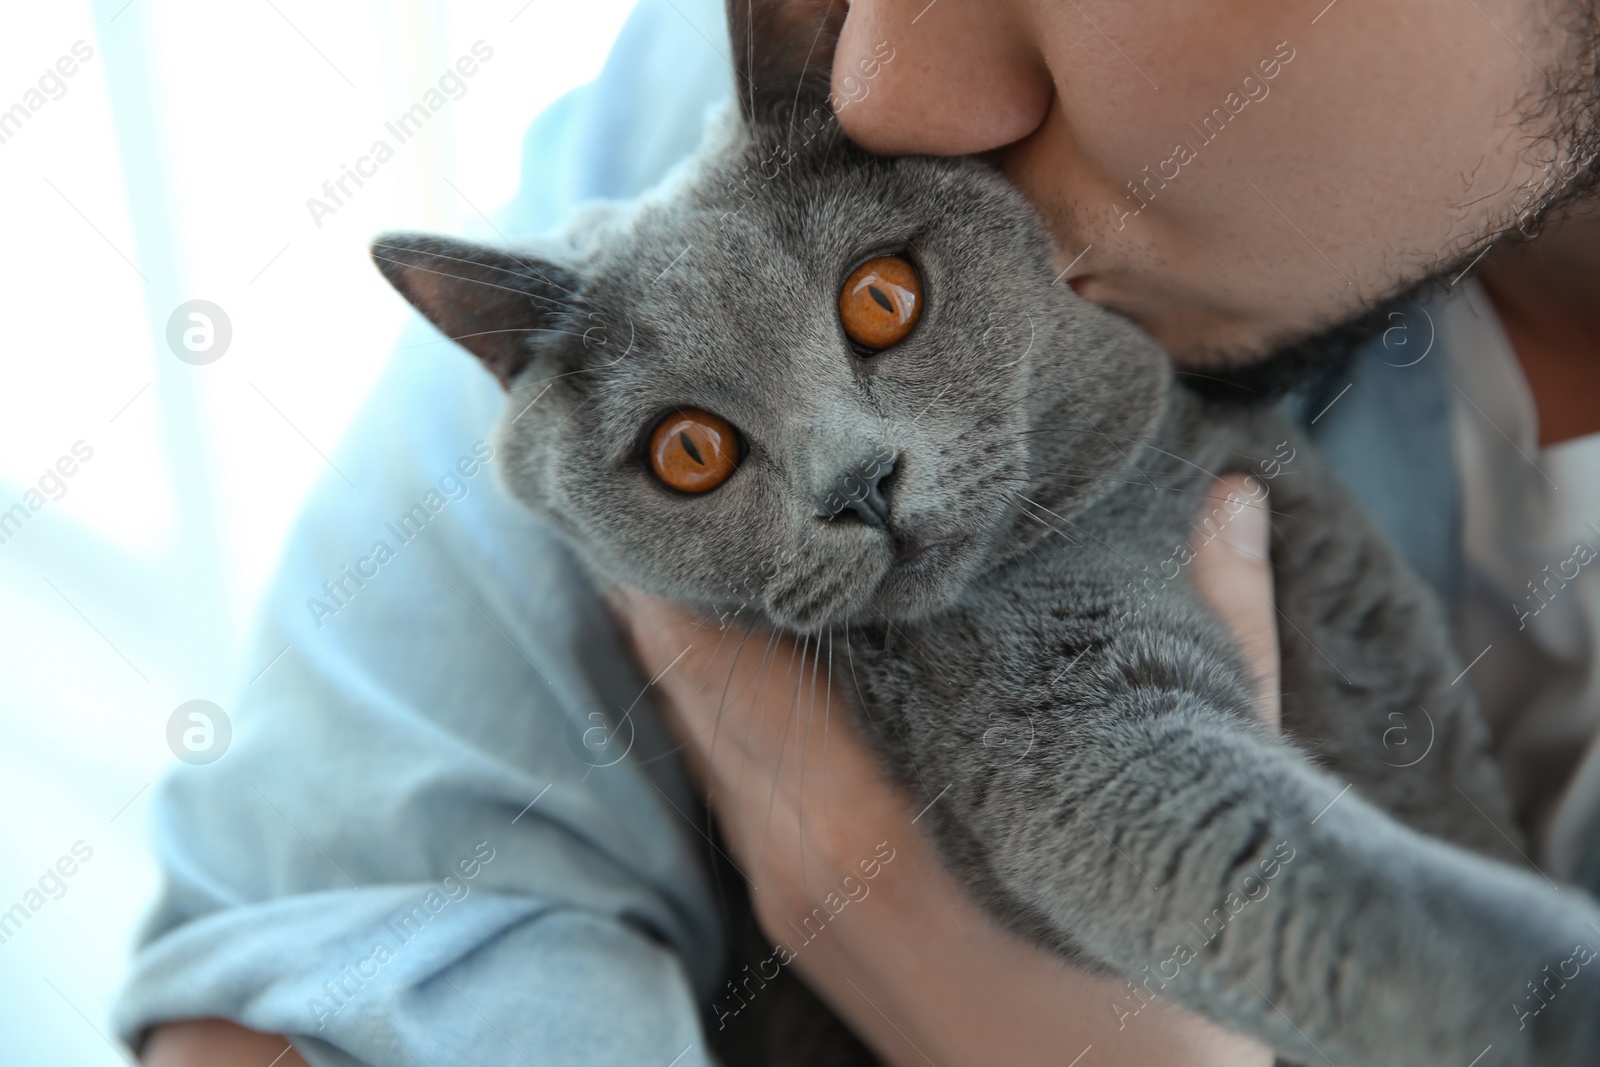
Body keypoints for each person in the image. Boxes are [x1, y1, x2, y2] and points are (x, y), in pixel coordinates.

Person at [130, 0, 1600, 1064]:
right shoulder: (754, 126)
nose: (881, 81)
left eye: (881, 305)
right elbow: (288, 973)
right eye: (698, 448)